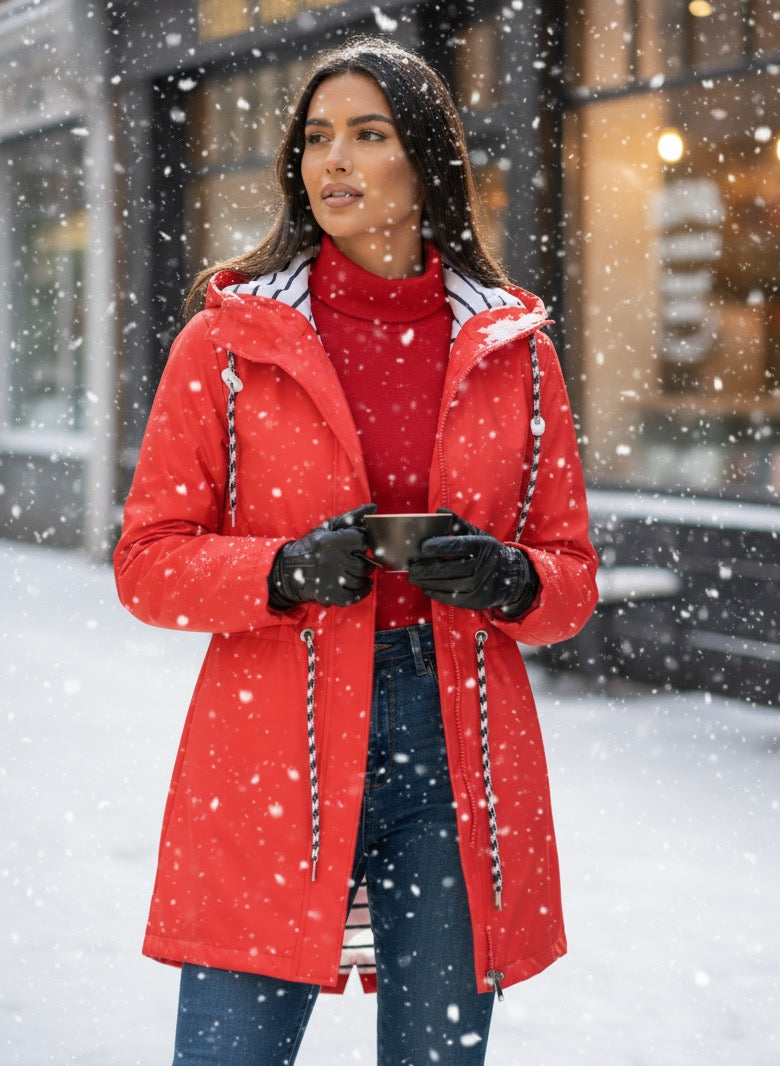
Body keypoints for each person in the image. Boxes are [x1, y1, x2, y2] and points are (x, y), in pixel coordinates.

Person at [114, 36, 598, 1066]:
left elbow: (569, 581)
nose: (331, 160)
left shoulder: (518, 352)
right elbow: (148, 562)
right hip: (267, 742)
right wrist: (279, 572)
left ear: (423, 163)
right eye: (315, 138)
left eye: (366, 135)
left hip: (456, 747)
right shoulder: (228, 343)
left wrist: (512, 579)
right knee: (228, 1052)